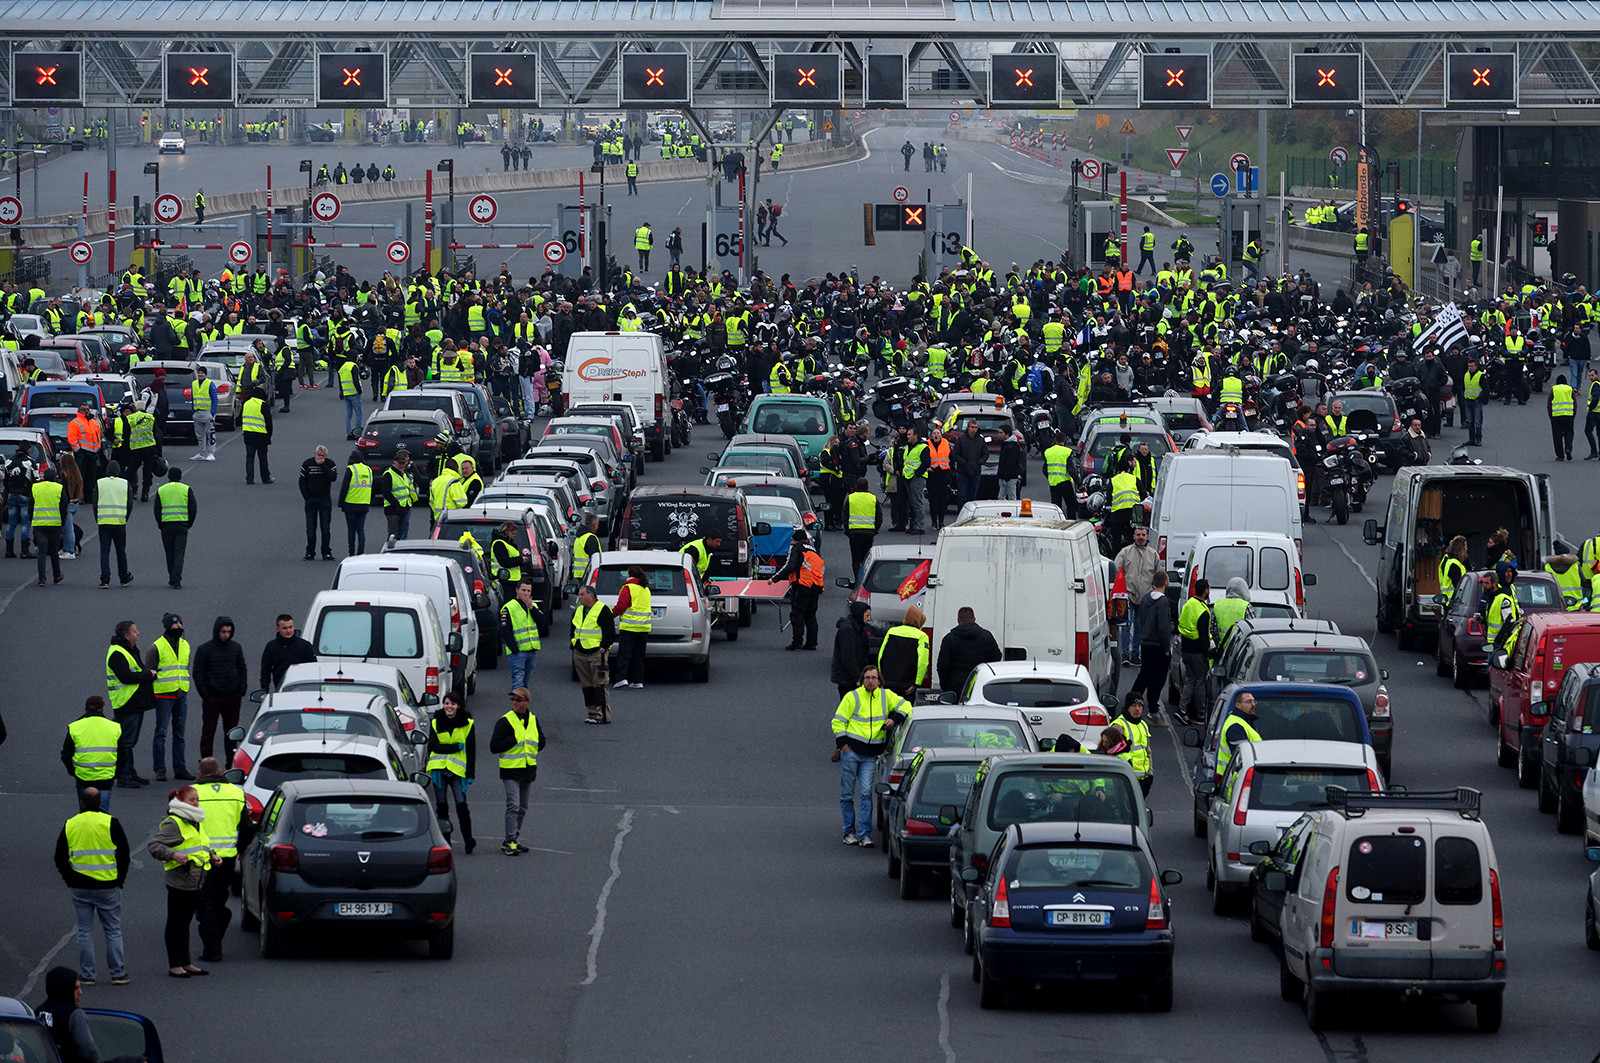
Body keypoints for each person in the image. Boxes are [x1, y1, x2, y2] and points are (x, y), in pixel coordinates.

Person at [831, 665, 910, 846]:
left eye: (874, 678)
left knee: (866, 793)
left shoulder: (886, 695)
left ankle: (865, 835)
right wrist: (844, 746)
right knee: (847, 794)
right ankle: (849, 832)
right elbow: (838, 721)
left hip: (870, 756)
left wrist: (894, 718)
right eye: (867, 677)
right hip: (851, 752)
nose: (870, 681)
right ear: (862, 679)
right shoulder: (853, 697)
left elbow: (906, 705)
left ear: (879, 680)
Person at [147, 784, 217, 977]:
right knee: (175, 923)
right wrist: (173, 855)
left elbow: (199, 846)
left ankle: (186, 962)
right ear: (180, 802)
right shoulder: (174, 822)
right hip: (179, 881)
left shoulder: (195, 821)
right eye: (191, 800)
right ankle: (174, 965)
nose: (196, 803)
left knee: (185, 923)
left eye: (197, 799)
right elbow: (154, 845)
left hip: (195, 882)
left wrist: (213, 856)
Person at [193, 757, 250, 963]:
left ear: (200, 774)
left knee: (206, 906)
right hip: (227, 859)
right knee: (217, 901)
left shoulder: (192, 794)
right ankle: (216, 936)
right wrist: (241, 849)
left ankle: (212, 950)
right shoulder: (236, 793)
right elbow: (246, 827)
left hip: (201, 859)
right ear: (220, 771)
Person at [487, 687, 545, 855]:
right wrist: (513, 740)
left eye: (518, 700)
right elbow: (494, 747)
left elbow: (540, 741)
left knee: (523, 807)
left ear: (526, 702)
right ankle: (510, 840)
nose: (514, 703)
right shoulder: (505, 721)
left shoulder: (533, 719)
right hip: (511, 770)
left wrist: (534, 746)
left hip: (527, 769)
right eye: (512, 700)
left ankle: (512, 839)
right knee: (514, 805)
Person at [35, 966, 135, 1061]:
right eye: (76, 988)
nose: (80, 992)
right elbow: (88, 1048)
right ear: (65, 989)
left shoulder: (37, 1012)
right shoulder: (75, 1015)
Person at [427, 690, 477, 854]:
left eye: (452, 704)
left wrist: (470, 774)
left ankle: (468, 840)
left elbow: (471, 750)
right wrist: (455, 747)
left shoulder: (467, 724)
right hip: (439, 771)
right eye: (447, 703)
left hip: (457, 772)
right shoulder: (435, 722)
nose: (449, 707)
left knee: (461, 806)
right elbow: (433, 746)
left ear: (458, 706)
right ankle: (445, 842)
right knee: (442, 808)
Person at [143, 613, 192, 782]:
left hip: (181, 694)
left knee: (180, 735)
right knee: (161, 733)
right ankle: (160, 769)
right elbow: (148, 673)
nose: (179, 626)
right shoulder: (156, 647)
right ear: (167, 626)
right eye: (175, 623)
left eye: (180, 622)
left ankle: (180, 768)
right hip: (163, 695)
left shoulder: (186, 645)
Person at [106, 620, 155, 788]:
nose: (138, 633)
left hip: (134, 702)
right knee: (126, 741)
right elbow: (126, 677)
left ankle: (130, 772)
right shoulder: (117, 653)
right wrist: (148, 675)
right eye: (135, 631)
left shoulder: (128, 649)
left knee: (129, 741)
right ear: (127, 636)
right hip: (126, 703)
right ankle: (124, 776)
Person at [193, 616, 247, 764]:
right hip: (213, 698)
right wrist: (206, 695)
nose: (226, 635)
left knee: (231, 733)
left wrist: (241, 690)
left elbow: (242, 668)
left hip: (232, 697)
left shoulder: (236, 648)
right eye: (223, 631)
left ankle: (231, 763)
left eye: (229, 632)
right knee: (208, 732)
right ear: (217, 631)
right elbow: (198, 674)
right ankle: (206, 764)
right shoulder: (204, 650)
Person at [1127, 571, 1173, 717]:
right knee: (1157, 679)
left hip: (1146, 643)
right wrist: (1166, 648)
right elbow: (1163, 627)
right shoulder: (1163, 602)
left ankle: (1131, 700)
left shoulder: (1147, 598)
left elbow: (1141, 619)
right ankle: (1153, 709)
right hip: (1158, 646)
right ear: (1166, 582)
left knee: (1144, 676)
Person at [63, 696, 121, 813]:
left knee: (84, 813)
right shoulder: (114, 727)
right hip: (106, 777)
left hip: (83, 777)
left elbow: (66, 754)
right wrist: (115, 774)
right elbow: (123, 755)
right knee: (103, 813)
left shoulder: (75, 727)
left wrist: (74, 772)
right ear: (102, 708)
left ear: (86, 709)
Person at [769, 530, 825, 651]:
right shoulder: (812, 550)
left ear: (796, 540)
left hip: (803, 585)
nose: (791, 541)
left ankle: (797, 642)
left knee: (797, 614)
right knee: (811, 615)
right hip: (816, 586)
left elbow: (790, 565)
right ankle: (811, 643)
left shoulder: (796, 548)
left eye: (792, 539)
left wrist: (774, 579)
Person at [570, 583, 615, 725]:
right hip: (580, 653)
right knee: (586, 686)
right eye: (579, 594)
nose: (580, 597)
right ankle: (592, 713)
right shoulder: (579, 610)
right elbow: (573, 629)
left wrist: (603, 647)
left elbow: (609, 632)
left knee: (599, 685)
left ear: (592, 596)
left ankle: (603, 715)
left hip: (596, 654)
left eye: (583, 594)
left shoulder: (602, 610)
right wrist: (573, 646)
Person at [1112, 526, 1158, 666]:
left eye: (1143, 535)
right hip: (1127, 595)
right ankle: (1125, 654)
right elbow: (1114, 569)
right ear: (1134, 536)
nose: (1141, 537)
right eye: (1138, 534)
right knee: (1126, 625)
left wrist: (1155, 593)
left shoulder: (1153, 554)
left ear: (1147, 537)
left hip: (1145, 596)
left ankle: (1135, 655)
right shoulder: (1125, 552)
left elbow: (1158, 576)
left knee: (1139, 626)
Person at [934, 606, 1002, 694]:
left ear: (958, 620)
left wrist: (947, 687)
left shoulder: (949, 639)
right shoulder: (987, 636)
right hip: (980, 685)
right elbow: (997, 657)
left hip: (956, 688)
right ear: (974, 619)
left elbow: (942, 666)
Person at [1176, 579, 1214, 723]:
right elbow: (1203, 636)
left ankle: (1182, 709)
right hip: (1198, 651)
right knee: (1200, 682)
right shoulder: (1203, 611)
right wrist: (1207, 653)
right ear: (1205, 591)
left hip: (1186, 648)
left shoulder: (1188, 604)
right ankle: (1200, 715)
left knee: (1189, 680)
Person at [153, 466, 195, 588]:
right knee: (179, 553)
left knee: (169, 553)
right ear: (180, 477)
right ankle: (176, 579)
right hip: (182, 524)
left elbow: (157, 509)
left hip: (166, 525)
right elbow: (193, 508)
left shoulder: (161, 490)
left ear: (168, 477)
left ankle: (171, 575)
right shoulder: (186, 489)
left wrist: (160, 523)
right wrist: (189, 523)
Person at [877, 605, 930, 702]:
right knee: (903, 712)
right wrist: (916, 683)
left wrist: (882, 677)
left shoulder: (891, 631)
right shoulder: (922, 636)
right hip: (907, 685)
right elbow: (922, 662)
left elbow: (881, 656)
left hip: (888, 681)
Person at [501, 579, 546, 693]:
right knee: (518, 683)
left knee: (524, 685)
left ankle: (521, 706)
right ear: (517, 590)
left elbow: (543, 624)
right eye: (523, 590)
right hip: (518, 653)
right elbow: (505, 631)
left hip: (531, 651)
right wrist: (515, 650)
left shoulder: (533, 606)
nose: (526, 593)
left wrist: (532, 608)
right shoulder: (509, 607)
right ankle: (516, 707)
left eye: (528, 591)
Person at [95, 459, 134, 590]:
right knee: (121, 551)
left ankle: (105, 579)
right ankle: (124, 577)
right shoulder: (125, 483)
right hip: (119, 522)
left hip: (104, 522)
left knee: (104, 552)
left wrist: (98, 518)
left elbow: (95, 503)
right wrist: (125, 518)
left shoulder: (100, 483)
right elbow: (129, 504)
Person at [612, 565, 652, 689]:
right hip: (643, 627)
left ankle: (621, 678)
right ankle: (637, 680)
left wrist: (609, 616)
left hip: (629, 627)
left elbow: (621, 606)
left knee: (624, 654)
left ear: (629, 574)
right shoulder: (645, 589)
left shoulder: (628, 588)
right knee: (638, 655)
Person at [298, 445, 338, 560]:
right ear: (315, 454)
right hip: (311, 499)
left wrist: (323, 465)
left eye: (323, 456)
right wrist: (306, 496)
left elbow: (332, 478)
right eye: (318, 455)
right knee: (310, 528)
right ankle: (310, 552)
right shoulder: (307, 464)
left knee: (325, 528)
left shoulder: (330, 464)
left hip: (324, 498)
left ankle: (326, 552)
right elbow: (302, 481)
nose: (320, 457)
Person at [259, 614, 316, 692]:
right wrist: (264, 690)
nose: (289, 631)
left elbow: (312, 668)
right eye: (284, 628)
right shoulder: (271, 647)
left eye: (290, 627)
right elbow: (265, 671)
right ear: (277, 629)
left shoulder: (305, 646)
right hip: (280, 688)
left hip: (301, 688)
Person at [1214, 691, 1262, 783]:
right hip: (1235, 781)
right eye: (1248, 702)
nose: (1253, 705)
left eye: (1254, 701)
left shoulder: (1244, 722)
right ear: (1238, 705)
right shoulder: (1235, 726)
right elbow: (1244, 757)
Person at [31, 465, 67, 587]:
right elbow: (64, 506)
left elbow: (31, 505)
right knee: (54, 551)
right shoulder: (59, 488)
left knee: (42, 552)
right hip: (55, 524)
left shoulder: (35, 487)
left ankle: (42, 579)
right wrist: (63, 521)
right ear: (55, 477)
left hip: (39, 523)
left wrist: (33, 519)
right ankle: (56, 575)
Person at [1111, 696, 1153, 796]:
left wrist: (1150, 774)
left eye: (1140, 706)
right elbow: (1111, 754)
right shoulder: (1118, 726)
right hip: (1126, 779)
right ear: (1127, 707)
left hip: (1143, 779)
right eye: (1133, 706)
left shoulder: (1143, 724)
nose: (1137, 709)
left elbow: (1148, 752)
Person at [830, 601, 872, 699]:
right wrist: (857, 678)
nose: (869, 619)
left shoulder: (858, 627)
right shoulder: (848, 631)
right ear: (860, 614)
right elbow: (848, 657)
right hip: (848, 680)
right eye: (867, 615)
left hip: (852, 677)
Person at [844, 477, 881, 586]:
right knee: (866, 559)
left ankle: (857, 581)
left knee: (855, 559)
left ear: (856, 487)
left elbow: (845, 516)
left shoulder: (851, 498)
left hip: (854, 533)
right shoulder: (873, 498)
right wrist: (875, 530)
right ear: (867, 487)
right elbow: (879, 517)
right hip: (869, 533)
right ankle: (866, 580)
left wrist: (847, 530)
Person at [338, 450, 373, 555]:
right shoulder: (368, 470)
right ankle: (361, 552)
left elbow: (344, 487)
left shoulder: (351, 469)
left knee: (351, 530)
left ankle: (351, 552)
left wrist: (341, 503)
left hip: (350, 504)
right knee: (360, 529)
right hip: (364, 504)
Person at [377, 448, 418, 540]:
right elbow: (386, 493)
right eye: (400, 464)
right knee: (393, 535)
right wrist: (397, 505)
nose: (402, 466)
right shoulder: (388, 475)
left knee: (400, 535)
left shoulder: (403, 474)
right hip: (393, 510)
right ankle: (390, 553)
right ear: (394, 462)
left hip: (403, 509)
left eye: (404, 464)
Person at [241, 386, 274, 484]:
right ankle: (265, 477)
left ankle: (249, 479)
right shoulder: (263, 405)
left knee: (249, 458)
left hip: (248, 434)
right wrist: (269, 436)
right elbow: (269, 422)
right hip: (261, 435)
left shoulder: (246, 403)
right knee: (263, 458)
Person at [489, 521, 527, 603]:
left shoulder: (507, 544)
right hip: (504, 580)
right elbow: (505, 562)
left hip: (511, 580)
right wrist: (520, 560)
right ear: (506, 532)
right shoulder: (499, 544)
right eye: (512, 533)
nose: (514, 536)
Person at [1486, 562, 1521, 650]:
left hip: (1512, 635)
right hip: (1498, 639)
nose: (1509, 574)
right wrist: (1499, 639)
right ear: (1501, 573)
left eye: (1510, 572)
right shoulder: (1495, 589)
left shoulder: (1512, 587)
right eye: (1506, 571)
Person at [952, 420, 987, 508]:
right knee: (962, 496)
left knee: (973, 497)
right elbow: (955, 454)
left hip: (975, 472)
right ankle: (961, 515)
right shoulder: (961, 439)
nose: (974, 430)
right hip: (962, 471)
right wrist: (963, 462)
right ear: (968, 427)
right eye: (972, 427)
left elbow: (985, 454)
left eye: (975, 428)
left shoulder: (980, 440)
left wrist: (979, 462)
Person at [1042, 431, 1077, 518]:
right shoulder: (1068, 451)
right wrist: (1079, 483)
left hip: (1053, 483)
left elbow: (1044, 469)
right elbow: (1071, 469)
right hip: (1065, 483)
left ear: (1054, 440)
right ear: (1065, 440)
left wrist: (1050, 476)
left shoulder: (1048, 452)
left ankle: (1057, 524)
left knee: (1056, 507)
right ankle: (1071, 524)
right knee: (1070, 505)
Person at [190, 364, 216, 461]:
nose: (200, 375)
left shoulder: (210, 384)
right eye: (199, 373)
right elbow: (193, 398)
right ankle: (200, 453)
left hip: (207, 412)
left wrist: (212, 412)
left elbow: (214, 399)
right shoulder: (194, 384)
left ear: (205, 374)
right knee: (199, 435)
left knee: (210, 434)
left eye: (202, 373)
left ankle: (211, 453)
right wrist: (193, 411)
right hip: (197, 412)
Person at [1550, 373, 1576, 460]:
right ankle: (1568, 448)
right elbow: (1575, 403)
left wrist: (1551, 416)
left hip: (1556, 416)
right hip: (1568, 416)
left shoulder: (1554, 389)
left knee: (1557, 436)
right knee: (1569, 434)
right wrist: (1573, 415)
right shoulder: (1569, 389)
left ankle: (1560, 455)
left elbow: (1549, 404)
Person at [1461, 356, 1484, 447]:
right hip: (1468, 401)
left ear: (1476, 366)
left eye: (1472, 366)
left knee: (1477, 422)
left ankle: (1478, 439)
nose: (1470, 368)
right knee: (1470, 422)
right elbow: (1463, 387)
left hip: (1476, 402)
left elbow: (1486, 389)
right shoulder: (1466, 375)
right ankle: (1471, 439)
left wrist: (1480, 398)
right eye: (1469, 366)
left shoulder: (1480, 375)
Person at [572, 514, 602, 584]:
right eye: (597, 524)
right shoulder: (590, 538)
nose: (598, 527)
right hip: (589, 573)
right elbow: (595, 556)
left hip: (579, 573)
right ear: (594, 524)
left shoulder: (579, 538)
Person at [1438, 536, 1469, 604]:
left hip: (1448, 601)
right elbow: (1458, 585)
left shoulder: (1449, 561)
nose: (1467, 549)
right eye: (1465, 546)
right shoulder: (1455, 565)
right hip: (1454, 602)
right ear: (1461, 548)